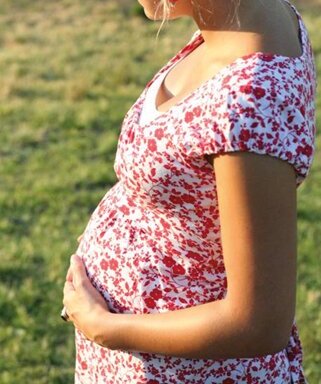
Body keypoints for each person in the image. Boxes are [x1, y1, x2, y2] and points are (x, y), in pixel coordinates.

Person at [62, 0, 317, 382]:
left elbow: (258, 321)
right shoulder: (236, 22)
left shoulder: (251, 98)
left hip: (184, 372)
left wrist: (104, 327)